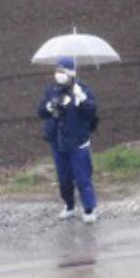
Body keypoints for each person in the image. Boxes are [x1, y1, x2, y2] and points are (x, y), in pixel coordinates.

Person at [37, 58, 100, 223]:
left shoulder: (82, 89)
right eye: (57, 71)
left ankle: (89, 208)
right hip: (57, 141)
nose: (58, 75)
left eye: (62, 71)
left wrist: (83, 99)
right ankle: (69, 205)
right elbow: (41, 111)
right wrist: (49, 107)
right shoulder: (52, 90)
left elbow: (91, 113)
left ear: (71, 73)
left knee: (82, 178)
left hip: (78, 141)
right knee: (64, 178)